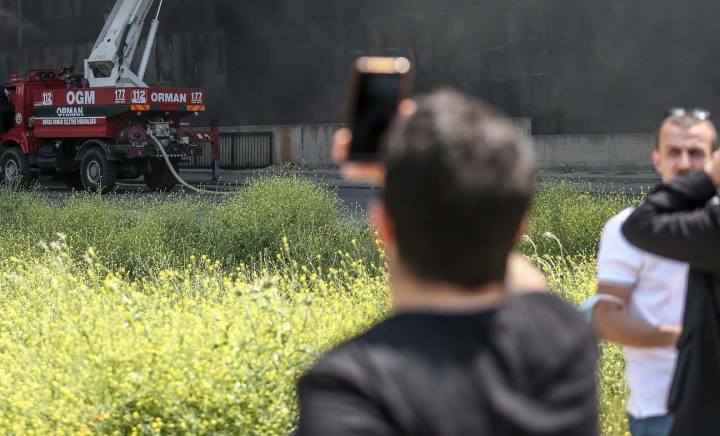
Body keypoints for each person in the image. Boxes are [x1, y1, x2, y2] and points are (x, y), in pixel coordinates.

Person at [295, 89, 599, 436]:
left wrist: (406, 180)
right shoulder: (562, 339)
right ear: (519, 230)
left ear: (383, 226)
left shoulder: (352, 390)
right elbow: (521, 277)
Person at [591, 111, 716, 436]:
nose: (685, 163)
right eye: (674, 152)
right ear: (657, 159)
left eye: (696, 153)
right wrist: (686, 338)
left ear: (712, 161)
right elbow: (606, 319)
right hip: (661, 409)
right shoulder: (625, 227)